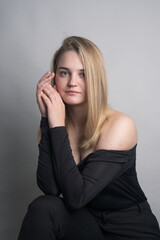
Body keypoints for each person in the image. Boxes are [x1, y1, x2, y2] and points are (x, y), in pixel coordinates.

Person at [18, 36, 160, 240]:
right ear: (53, 79)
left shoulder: (120, 125)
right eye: (64, 73)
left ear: (96, 79)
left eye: (83, 74)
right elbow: (50, 189)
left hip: (130, 232)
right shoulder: (56, 124)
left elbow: (77, 197)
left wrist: (55, 125)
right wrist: (46, 120)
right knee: (43, 207)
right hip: (89, 227)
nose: (72, 82)